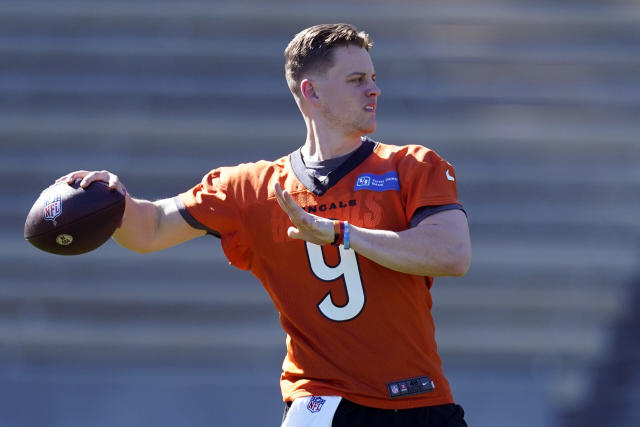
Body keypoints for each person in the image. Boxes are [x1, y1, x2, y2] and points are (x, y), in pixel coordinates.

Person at [58, 23, 471, 427]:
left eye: (374, 78)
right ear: (311, 91)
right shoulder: (250, 187)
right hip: (321, 402)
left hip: (420, 400)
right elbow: (149, 230)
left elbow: (452, 255)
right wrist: (112, 201)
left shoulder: (412, 165)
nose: (374, 89)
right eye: (357, 79)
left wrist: (341, 234)